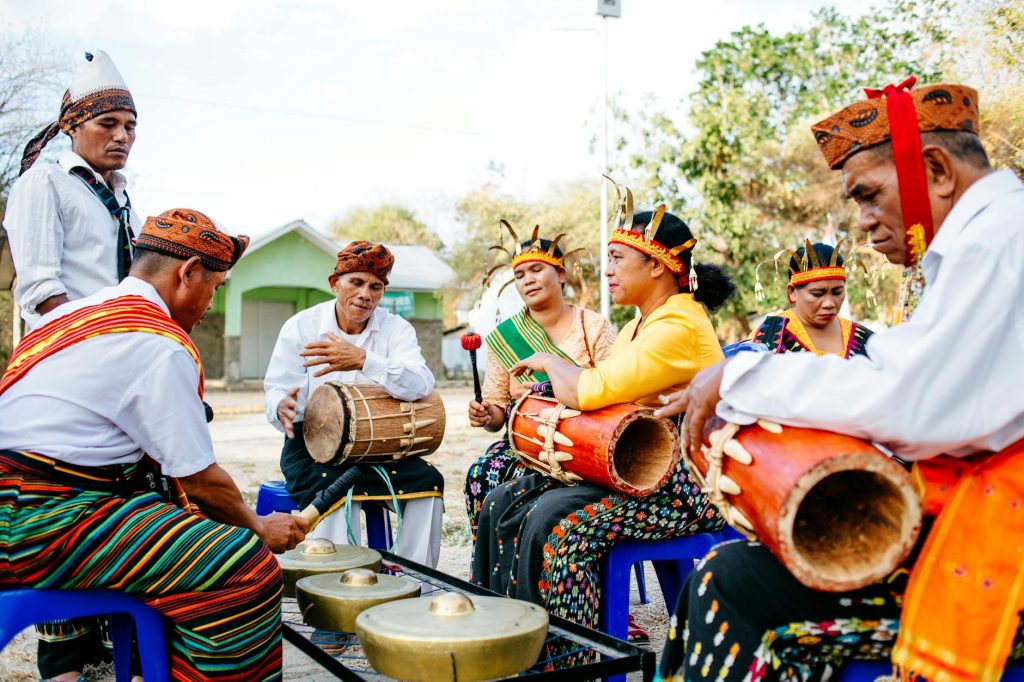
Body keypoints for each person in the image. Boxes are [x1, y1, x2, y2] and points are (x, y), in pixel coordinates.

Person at [654, 79, 1024, 681]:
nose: (864, 223)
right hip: (974, 505)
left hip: (1005, 538)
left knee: (730, 583)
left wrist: (742, 373)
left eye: (870, 195)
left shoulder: (998, 242)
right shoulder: (993, 235)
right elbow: (905, 376)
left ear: (935, 170)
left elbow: (912, 405)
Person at [0, 208, 309, 681]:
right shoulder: (157, 340)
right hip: (37, 520)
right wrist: (258, 528)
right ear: (187, 273)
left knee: (162, 510)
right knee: (245, 567)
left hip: (22, 503)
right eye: (216, 286)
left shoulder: (68, 317)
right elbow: (201, 480)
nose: (210, 304)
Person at [471, 201, 736, 638]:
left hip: (684, 484)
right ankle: (502, 632)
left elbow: (588, 391)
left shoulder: (678, 327)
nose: (607, 270)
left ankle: (568, 659)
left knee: (557, 524)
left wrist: (546, 363)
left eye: (617, 259)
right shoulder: (641, 325)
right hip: (639, 466)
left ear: (656, 266)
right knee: (504, 499)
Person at [264, 241, 445, 568]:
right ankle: (336, 581)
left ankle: (413, 577)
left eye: (375, 287)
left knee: (428, 483)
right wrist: (282, 408)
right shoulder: (301, 327)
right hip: (312, 446)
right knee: (331, 491)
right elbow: (277, 389)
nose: (366, 294)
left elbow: (421, 383)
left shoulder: (396, 329)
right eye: (356, 283)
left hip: (379, 447)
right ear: (335, 284)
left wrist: (364, 360)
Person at [465, 229, 615, 542]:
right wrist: (485, 414)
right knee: (483, 473)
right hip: (523, 444)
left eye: (536, 270)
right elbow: (498, 413)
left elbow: (615, 388)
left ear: (560, 274)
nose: (527, 280)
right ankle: (493, 577)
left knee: (540, 491)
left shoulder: (593, 326)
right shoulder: (504, 337)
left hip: (582, 442)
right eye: (519, 275)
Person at [5, 50, 142, 330]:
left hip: (119, 346)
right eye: (107, 124)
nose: (122, 136)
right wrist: (94, 340)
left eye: (130, 126)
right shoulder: (44, 183)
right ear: (72, 127)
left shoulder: (124, 204)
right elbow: (42, 292)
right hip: (68, 350)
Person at [751, 241, 873, 357]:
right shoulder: (770, 335)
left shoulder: (864, 338)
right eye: (817, 294)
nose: (829, 303)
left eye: (837, 292)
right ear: (792, 292)